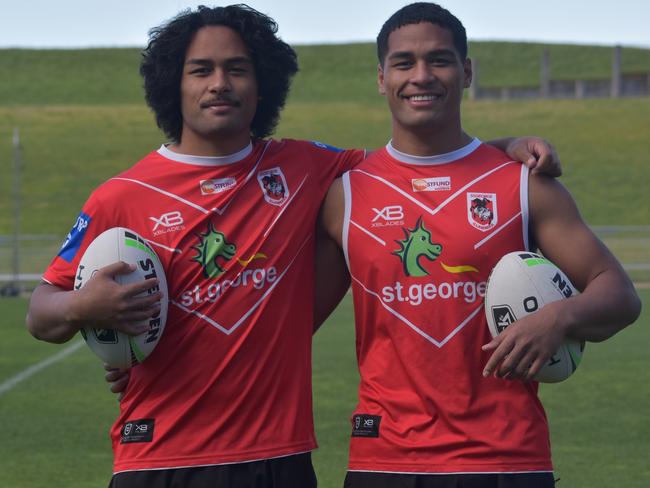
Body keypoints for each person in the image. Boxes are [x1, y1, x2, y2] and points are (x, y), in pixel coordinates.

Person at [26, 4, 562, 488]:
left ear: (262, 85)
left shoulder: (303, 166)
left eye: (237, 69)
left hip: (277, 461)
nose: (220, 84)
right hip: (158, 456)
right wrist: (82, 306)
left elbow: (418, 161)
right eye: (201, 70)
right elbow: (41, 312)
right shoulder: (122, 195)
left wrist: (506, 148)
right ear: (174, 84)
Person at [319, 3, 642, 488]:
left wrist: (559, 317)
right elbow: (288, 319)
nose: (421, 76)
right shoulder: (345, 194)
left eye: (440, 60)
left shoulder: (525, 184)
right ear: (382, 78)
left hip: (506, 459)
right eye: (404, 63)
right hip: (383, 459)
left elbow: (619, 293)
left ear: (466, 71)